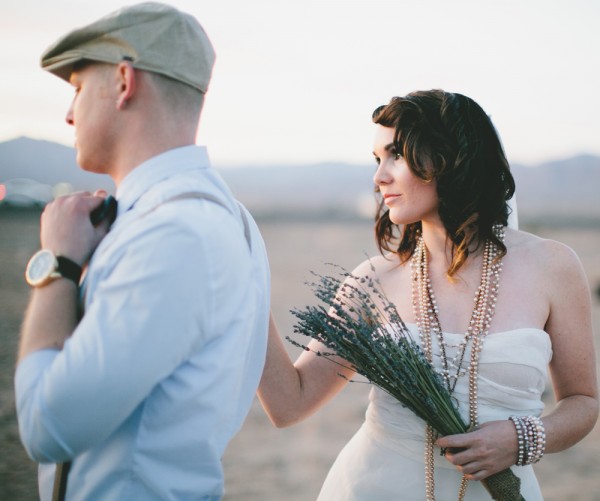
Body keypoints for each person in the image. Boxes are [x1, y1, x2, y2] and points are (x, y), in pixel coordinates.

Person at [257, 89, 598, 500]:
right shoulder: (373, 281)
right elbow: (290, 404)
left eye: (396, 155)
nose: (379, 177)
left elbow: (582, 402)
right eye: (377, 159)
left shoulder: (553, 267)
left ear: (450, 158)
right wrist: (247, 289)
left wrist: (520, 438)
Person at [15, 3, 270, 500]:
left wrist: (57, 265)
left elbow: (46, 426)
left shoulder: (177, 233)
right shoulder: (218, 216)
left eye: (78, 88)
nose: (69, 113)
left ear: (124, 81)